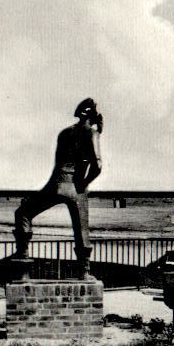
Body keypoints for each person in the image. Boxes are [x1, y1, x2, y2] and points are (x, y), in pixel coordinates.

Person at [13, 98, 103, 280]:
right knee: (81, 229)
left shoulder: (64, 133)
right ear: (93, 117)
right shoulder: (92, 133)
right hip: (75, 187)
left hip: (55, 184)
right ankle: (84, 272)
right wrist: (84, 183)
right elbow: (98, 166)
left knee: (23, 213)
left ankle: (22, 265)